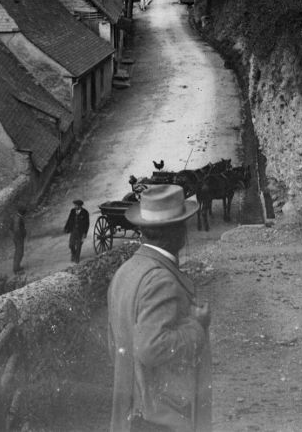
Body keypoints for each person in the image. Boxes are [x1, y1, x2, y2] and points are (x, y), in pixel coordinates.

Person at [108, 184, 212, 432]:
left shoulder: (126, 271)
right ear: (179, 232)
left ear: (143, 229)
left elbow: (115, 344)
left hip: (133, 408)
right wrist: (197, 327)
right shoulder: (161, 279)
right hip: (162, 416)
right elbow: (150, 348)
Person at [63, 199, 90, 263]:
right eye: (74, 205)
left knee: (78, 245)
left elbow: (87, 224)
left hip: (81, 232)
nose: (75, 206)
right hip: (73, 230)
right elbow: (69, 219)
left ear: (80, 206)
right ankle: (73, 254)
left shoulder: (85, 212)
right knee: (71, 245)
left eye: (76, 205)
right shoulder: (72, 211)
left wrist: (85, 233)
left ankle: (77, 258)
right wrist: (66, 228)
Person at [10, 206, 26, 273]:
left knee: (18, 252)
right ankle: (16, 269)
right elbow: (17, 229)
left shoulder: (16, 216)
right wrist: (21, 236)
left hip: (16, 237)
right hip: (18, 237)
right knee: (19, 252)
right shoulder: (18, 218)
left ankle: (17, 266)